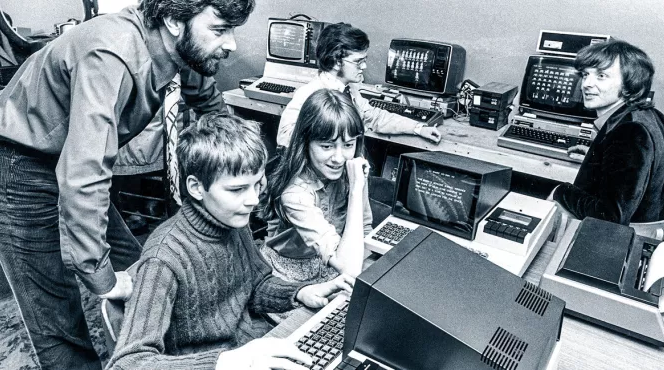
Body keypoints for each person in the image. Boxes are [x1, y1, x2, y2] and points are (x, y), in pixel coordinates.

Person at [0, 0, 253, 368]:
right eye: (219, 29)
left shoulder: (184, 50)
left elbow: (209, 103)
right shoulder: (112, 52)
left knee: (142, 270)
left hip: (64, 157)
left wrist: (238, 166)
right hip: (19, 160)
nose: (231, 43)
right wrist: (99, 278)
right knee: (55, 309)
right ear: (173, 20)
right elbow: (85, 173)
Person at [106, 112, 353, 369]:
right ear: (196, 187)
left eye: (257, 184)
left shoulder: (232, 221)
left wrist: (301, 292)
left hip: (248, 348)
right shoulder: (164, 258)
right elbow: (128, 362)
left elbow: (256, 285)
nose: (253, 200)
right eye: (237, 189)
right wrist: (225, 362)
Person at [552, 40, 664, 225]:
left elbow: (611, 216)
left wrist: (561, 191)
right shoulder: (653, 116)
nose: (586, 84)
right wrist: (603, 162)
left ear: (630, 83)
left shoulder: (630, 131)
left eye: (601, 76)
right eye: (585, 75)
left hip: (616, 241)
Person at [260, 89, 372, 291]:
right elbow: (350, 269)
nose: (339, 158)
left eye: (348, 144)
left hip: (337, 265)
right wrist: (356, 190)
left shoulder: (352, 169)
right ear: (306, 142)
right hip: (291, 278)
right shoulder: (294, 193)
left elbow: (364, 228)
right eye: (327, 146)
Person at [276, 22, 442, 149]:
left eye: (364, 60)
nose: (364, 67)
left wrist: (418, 128)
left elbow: (374, 116)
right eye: (358, 61)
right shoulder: (310, 93)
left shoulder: (350, 89)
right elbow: (284, 136)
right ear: (335, 62)